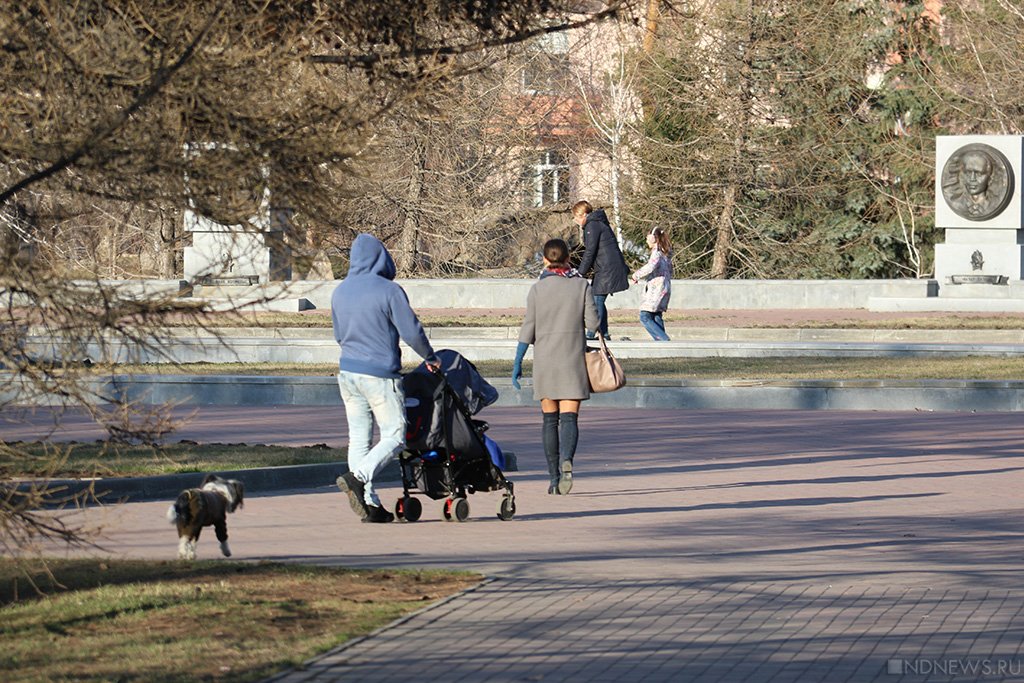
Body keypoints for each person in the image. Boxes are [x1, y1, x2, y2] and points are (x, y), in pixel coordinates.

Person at [331, 233, 440, 523]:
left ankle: (369, 504)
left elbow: (339, 335)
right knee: (395, 434)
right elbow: (411, 331)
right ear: (381, 257)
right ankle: (359, 478)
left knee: (359, 440)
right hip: (379, 375)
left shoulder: (340, 292)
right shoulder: (389, 290)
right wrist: (430, 357)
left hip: (348, 373)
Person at [512, 238, 600, 494]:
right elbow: (593, 323)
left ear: (545, 260)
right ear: (568, 258)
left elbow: (528, 327)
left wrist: (518, 361)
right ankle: (567, 462)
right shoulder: (582, 285)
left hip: (545, 361)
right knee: (569, 418)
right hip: (572, 359)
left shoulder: (537, 290)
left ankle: (553, 479)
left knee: (549, 421)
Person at [573, 200, 629, 340]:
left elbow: (589, 252)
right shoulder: (596, 223)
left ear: (584, 214)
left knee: (596, 300)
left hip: (607, 269)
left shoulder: (592, 225)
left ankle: (592, 333)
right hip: (605, 267)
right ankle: (603, 333)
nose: (575, 221)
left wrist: (581, 272)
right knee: (597, 298)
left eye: (577, 217)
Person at [630, 226, 673, 341]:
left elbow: (651, 266)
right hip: (665, 287)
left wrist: (636, 275)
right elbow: (670, 271)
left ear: (653, 239)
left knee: (644, 316)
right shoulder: (666, 254)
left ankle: (663, 340)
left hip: (656, 289)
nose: (646, 241)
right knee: (656, 315)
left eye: (647, 238)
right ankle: (662, 344)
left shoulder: (657, 253)